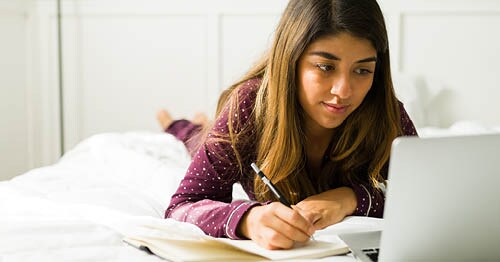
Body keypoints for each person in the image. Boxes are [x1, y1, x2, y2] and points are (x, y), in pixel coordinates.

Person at [163, 0, 418, 250]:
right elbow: (182, 206)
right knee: (194, 138)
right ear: (291, 60)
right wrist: (248, 220)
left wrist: (350, 198)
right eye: (325, 67)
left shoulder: (386, 111)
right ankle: (177, 124)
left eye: (362, 71)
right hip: (221, 129)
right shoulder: (249, 105)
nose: (343, 91)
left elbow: (425, 198)